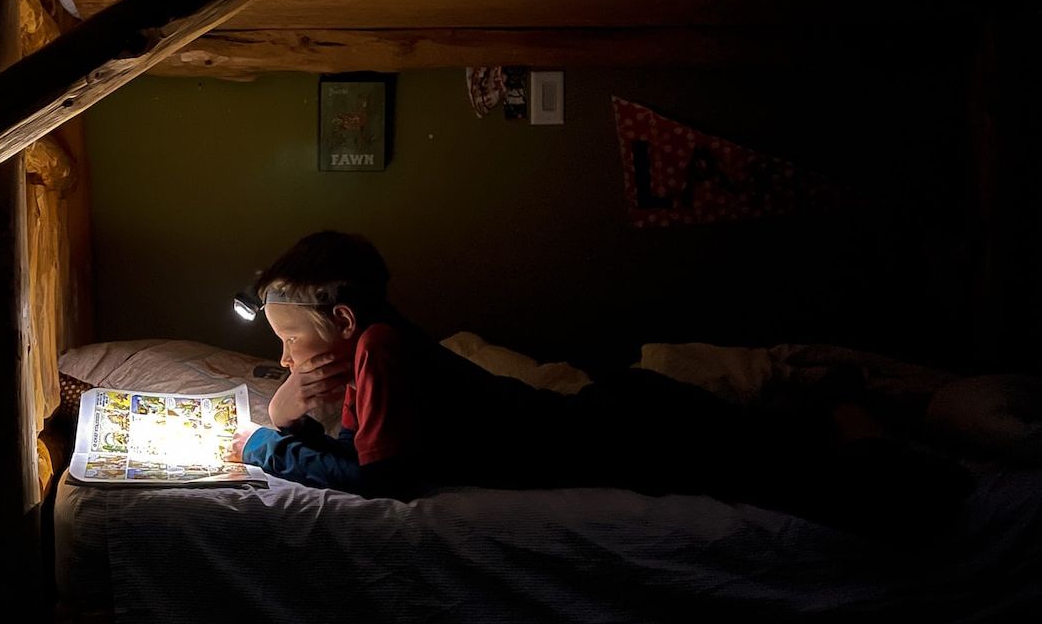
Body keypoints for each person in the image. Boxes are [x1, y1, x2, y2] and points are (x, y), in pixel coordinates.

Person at [231, 230, 974, 542]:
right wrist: (286, 405)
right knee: (769, 452)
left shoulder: (383, 349)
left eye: (294, 339)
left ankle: (893, 446)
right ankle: (840, 420)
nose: (290, 355)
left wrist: (271, 446)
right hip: (610, 417)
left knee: (815, 483)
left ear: (346, 318)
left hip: (615, 433)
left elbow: (384, 476)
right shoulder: (376, 341)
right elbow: (356, 438)